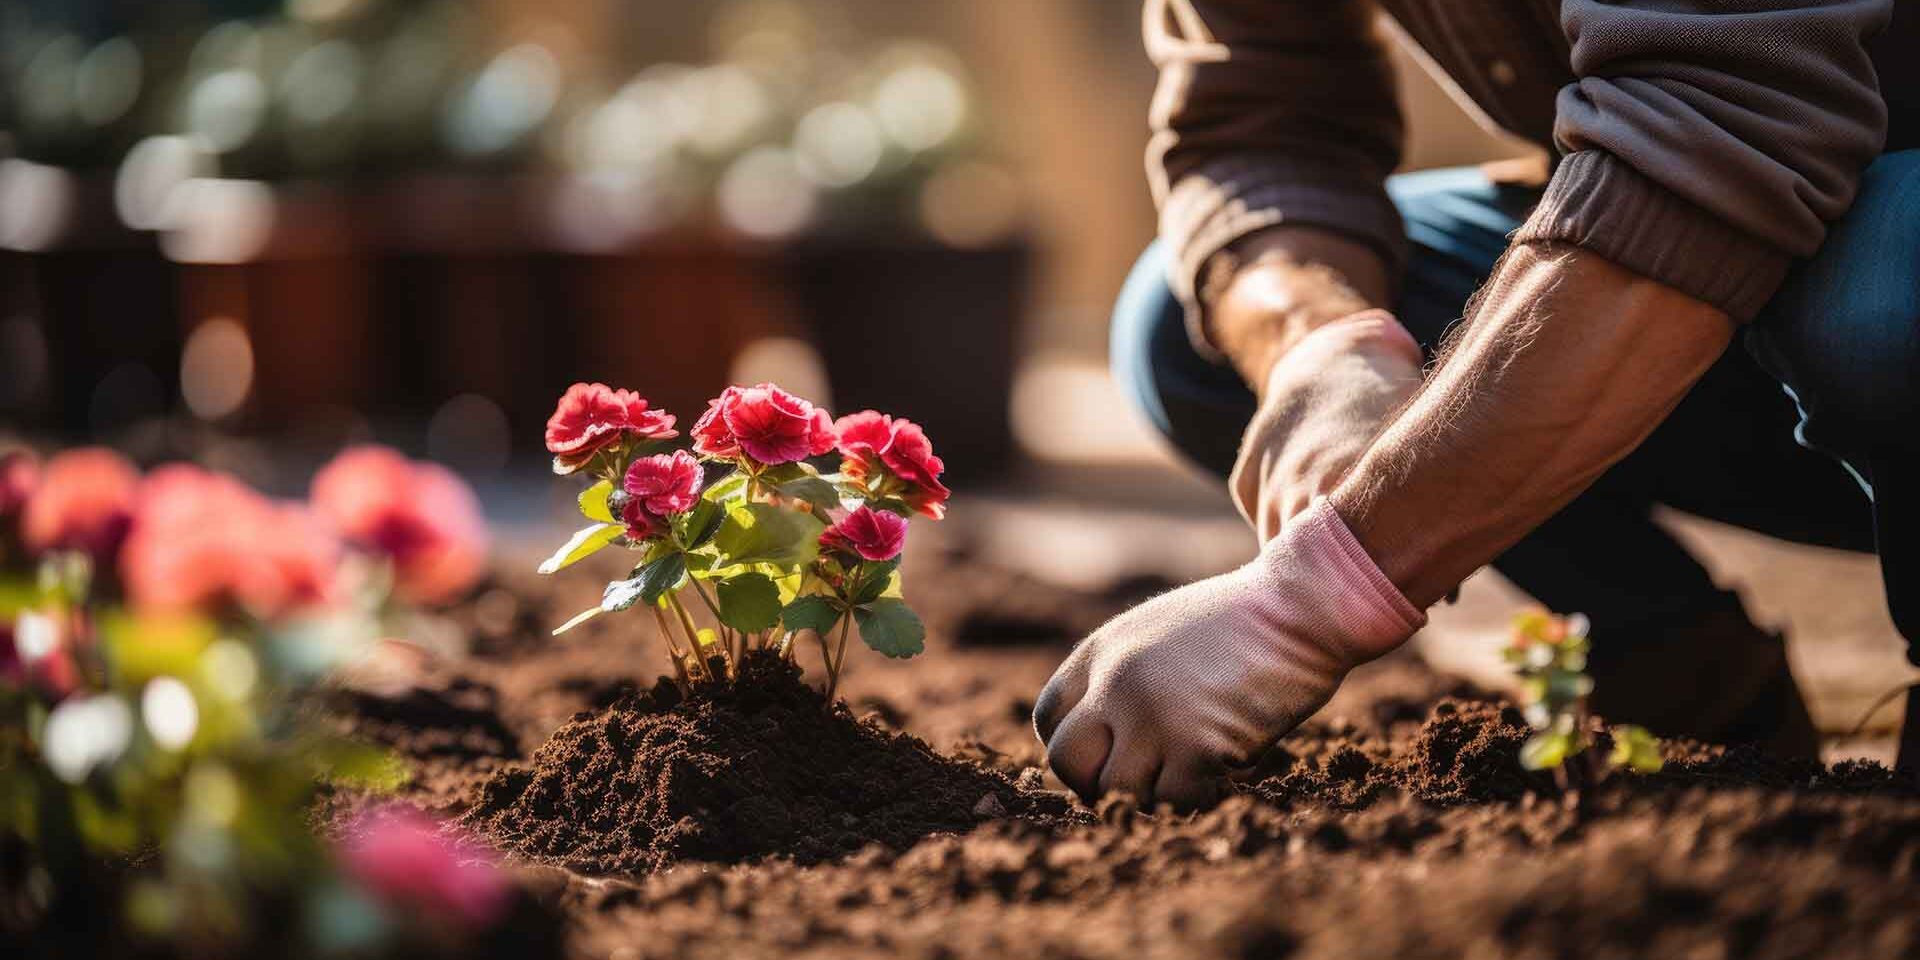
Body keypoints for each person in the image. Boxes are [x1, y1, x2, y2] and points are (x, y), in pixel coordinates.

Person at [1034, 0, 1920, 809]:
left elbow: (1730, 116)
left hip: (1844, 246)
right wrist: (1325, 349)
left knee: (1878, 302)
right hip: (1748, 282)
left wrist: (1301, 607)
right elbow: (1260, 126)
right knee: (1183, 326)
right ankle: (1701, 703)